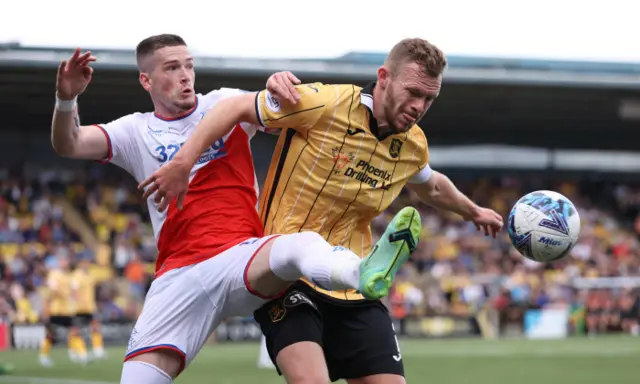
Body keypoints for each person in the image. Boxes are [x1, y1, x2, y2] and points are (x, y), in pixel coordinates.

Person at [51, 34, 421, 384]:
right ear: (146, 81)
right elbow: (69, 144)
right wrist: (66, 100)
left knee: (297, 245)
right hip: (178, 276)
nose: (184, 76)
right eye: (171, 68)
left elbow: (283, 110)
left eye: (188, 65)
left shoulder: (223, 103)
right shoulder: (134, 131)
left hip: (241, 258)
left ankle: (361, 272)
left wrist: (280, 84)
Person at [141, 37, 504, 383]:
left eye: (429, 98)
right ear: (383, 78)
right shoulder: (324, 103)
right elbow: (233, 107)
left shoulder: (412, 146)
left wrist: (474, 212)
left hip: (357, 283)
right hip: (286, 275)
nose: (419, 107)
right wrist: (184, 162)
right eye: (413, 92)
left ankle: (361, 272)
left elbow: (433, 185)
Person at [39, 256, 88, 367]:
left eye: (66, 260)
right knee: (51, 334)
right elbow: (52, 291)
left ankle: (82, 354)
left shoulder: (69, 276)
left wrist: (77, 299)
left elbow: (73, 292)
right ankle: (44, 355)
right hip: (56, 310)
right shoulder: (54, 274)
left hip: (68, 310)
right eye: (62, 260)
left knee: (75, 331)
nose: (64, 262)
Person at [71, 258, 106, 360]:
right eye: (85, 262)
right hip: (79, 308)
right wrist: (77, 302)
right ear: (80, 264)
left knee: (95, 326)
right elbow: (73, 291)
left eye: (88, 262)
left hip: (90, 307)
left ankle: (98, 349)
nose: (87, 264)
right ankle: (75, 350)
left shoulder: (90, 276)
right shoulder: (76, 275)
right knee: (76, 330)